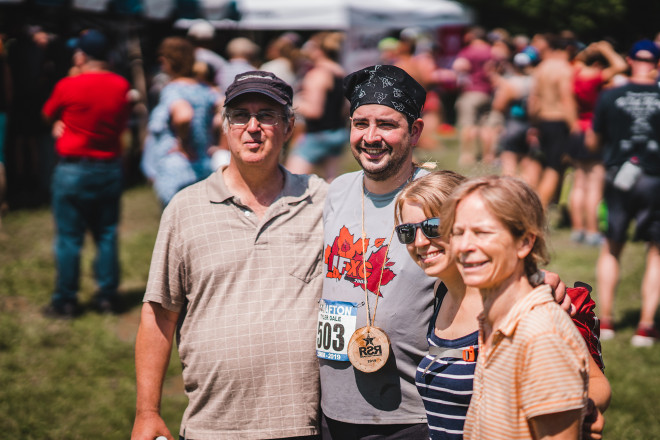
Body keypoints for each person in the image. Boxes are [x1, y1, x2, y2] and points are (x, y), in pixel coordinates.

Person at [131, 70, 328, 440]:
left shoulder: (321, 201)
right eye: (241, 115)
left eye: (267, 115)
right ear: (225, 126)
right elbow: (159, 312)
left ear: (289, 126)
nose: (252, 127)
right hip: (214, 425)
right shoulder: (185, 208)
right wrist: (147, 412)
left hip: (304, 424)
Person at [394, 171, 610, 440]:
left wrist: (573, 412)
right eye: (406, 232)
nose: (420, 242)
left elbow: (590, 383)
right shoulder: (444, 294)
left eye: (434, 227)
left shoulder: (531, 317)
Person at [320, 64, 433, 439]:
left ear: (414, 132)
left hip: (412, 416)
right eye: (360, 123)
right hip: (334, 411)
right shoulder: (338, 190)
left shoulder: (439, 197)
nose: (370, 137)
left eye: (386, 124)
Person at [442, 176, 590, 439]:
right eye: (457, 232)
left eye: (482, 232)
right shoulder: (494, 321)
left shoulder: (541, 336)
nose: (464, 246)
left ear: (525, 242)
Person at [40, 29, 132, 318]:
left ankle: (65, 301)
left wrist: (58, 122)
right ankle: (107, 297)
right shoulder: (121, 85)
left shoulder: (69, 85)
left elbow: (46, 114)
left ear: (81, 55)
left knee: (69, 238)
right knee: (106, 235)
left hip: (73, 168)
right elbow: (121, 123)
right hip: (109, 168)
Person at [591, 39, 660, 345]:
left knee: (612, 247)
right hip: (655, 179)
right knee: (656, 253)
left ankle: (606, 322)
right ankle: (645, 327)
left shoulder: (611, 95)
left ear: (630, 61)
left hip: (618, 177)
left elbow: (595, 140)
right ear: (656, 64)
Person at [140, 36, 221, 206]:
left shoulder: (173, 89)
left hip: (177, 166)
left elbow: (184, 115)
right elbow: (224, 111)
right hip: (202, 165)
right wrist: (219, 143)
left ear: (166, 61)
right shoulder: (204, 88)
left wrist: (183, 144)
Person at [567, 40, 627, 246]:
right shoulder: (596, 77)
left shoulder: (574, 74)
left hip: (577, 130)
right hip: (594, 131)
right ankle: (592, 231)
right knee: (594, 186)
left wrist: (588, 51)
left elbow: (577, 62)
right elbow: (620, 66)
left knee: (578, 183)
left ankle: (577, 229)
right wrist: (606, 49)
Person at [285, 32, 348, 181]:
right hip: (338, 133)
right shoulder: (340, 72)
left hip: (318, 134)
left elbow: (314, 111)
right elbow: (346, 107)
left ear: (319, 50)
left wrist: (293, 101)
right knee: (332, 183)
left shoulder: (317, 74)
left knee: (290, 180)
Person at [528, 33, 577, 208]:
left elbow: (533, 100)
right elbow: (567, 100)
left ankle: (527, 200)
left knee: (538, 162)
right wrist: (574, 127)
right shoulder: (565, 69)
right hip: (559, 120)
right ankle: (539, 207)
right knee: (554, 167)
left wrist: (533, 124)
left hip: (542, 120)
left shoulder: (542, 67)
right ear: (569, 49)